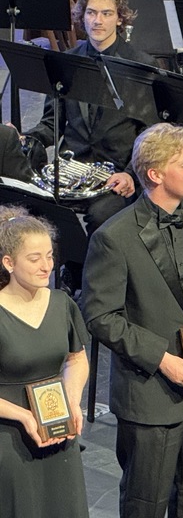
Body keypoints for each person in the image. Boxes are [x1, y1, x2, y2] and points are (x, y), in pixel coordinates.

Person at [82, 123, 183, 518]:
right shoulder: (114, 237)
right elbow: (100, 316)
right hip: (151, 395)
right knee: (145, 504)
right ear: (155, 174)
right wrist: (162, 359)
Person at [22, 0, 153, 288]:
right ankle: (72, 269)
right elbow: (51, 123)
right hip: (73, 171)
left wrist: (131, 173)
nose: (98, 20)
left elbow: (150, 133)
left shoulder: (141, 65)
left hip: (116, 174)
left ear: (120, 18)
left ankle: (96, 282)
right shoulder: (66, 61)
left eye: (106, 14)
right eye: (91, 13)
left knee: (101, 214)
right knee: (41, 207)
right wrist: (27, 139)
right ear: (82, 16)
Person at [0, 208, 89, 518]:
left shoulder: (62, 304)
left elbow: (77, 359)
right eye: (34, 258)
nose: (46, 266)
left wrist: (72, 401)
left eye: (49, 256)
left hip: (58, 435)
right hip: (9, 441)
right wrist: (24, 416)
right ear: (9, 263)